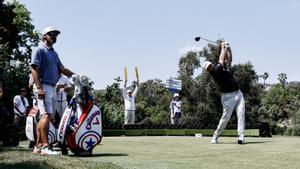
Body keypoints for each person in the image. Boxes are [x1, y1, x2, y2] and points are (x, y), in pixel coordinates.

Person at [31, 26, 75, 155]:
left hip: (51, 87)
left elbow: (62, 68)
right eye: (51, 34)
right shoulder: (39, 50)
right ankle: (45, 147)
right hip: (42, 86)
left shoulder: (54, 53)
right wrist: (39, 88)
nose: (54, 36)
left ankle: (38, 146)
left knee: (46, 117)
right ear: (44, 36)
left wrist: (74, 75)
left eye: (55, 35)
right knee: (45, 115)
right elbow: (34, 69)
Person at [202, 42, 245, 144]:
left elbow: (228, 59)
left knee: (241, 114)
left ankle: (241, 136)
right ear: (208, 70)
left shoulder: (220, 67)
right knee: (225, 118)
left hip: (238, 94)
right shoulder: (216, 72)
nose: (210, 67)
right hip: (228, 98)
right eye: (208, 67)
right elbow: (221, 59)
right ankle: (215, 136)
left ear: (211, 64)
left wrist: (228, 48)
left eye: (210, 65)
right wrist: (222, 47)